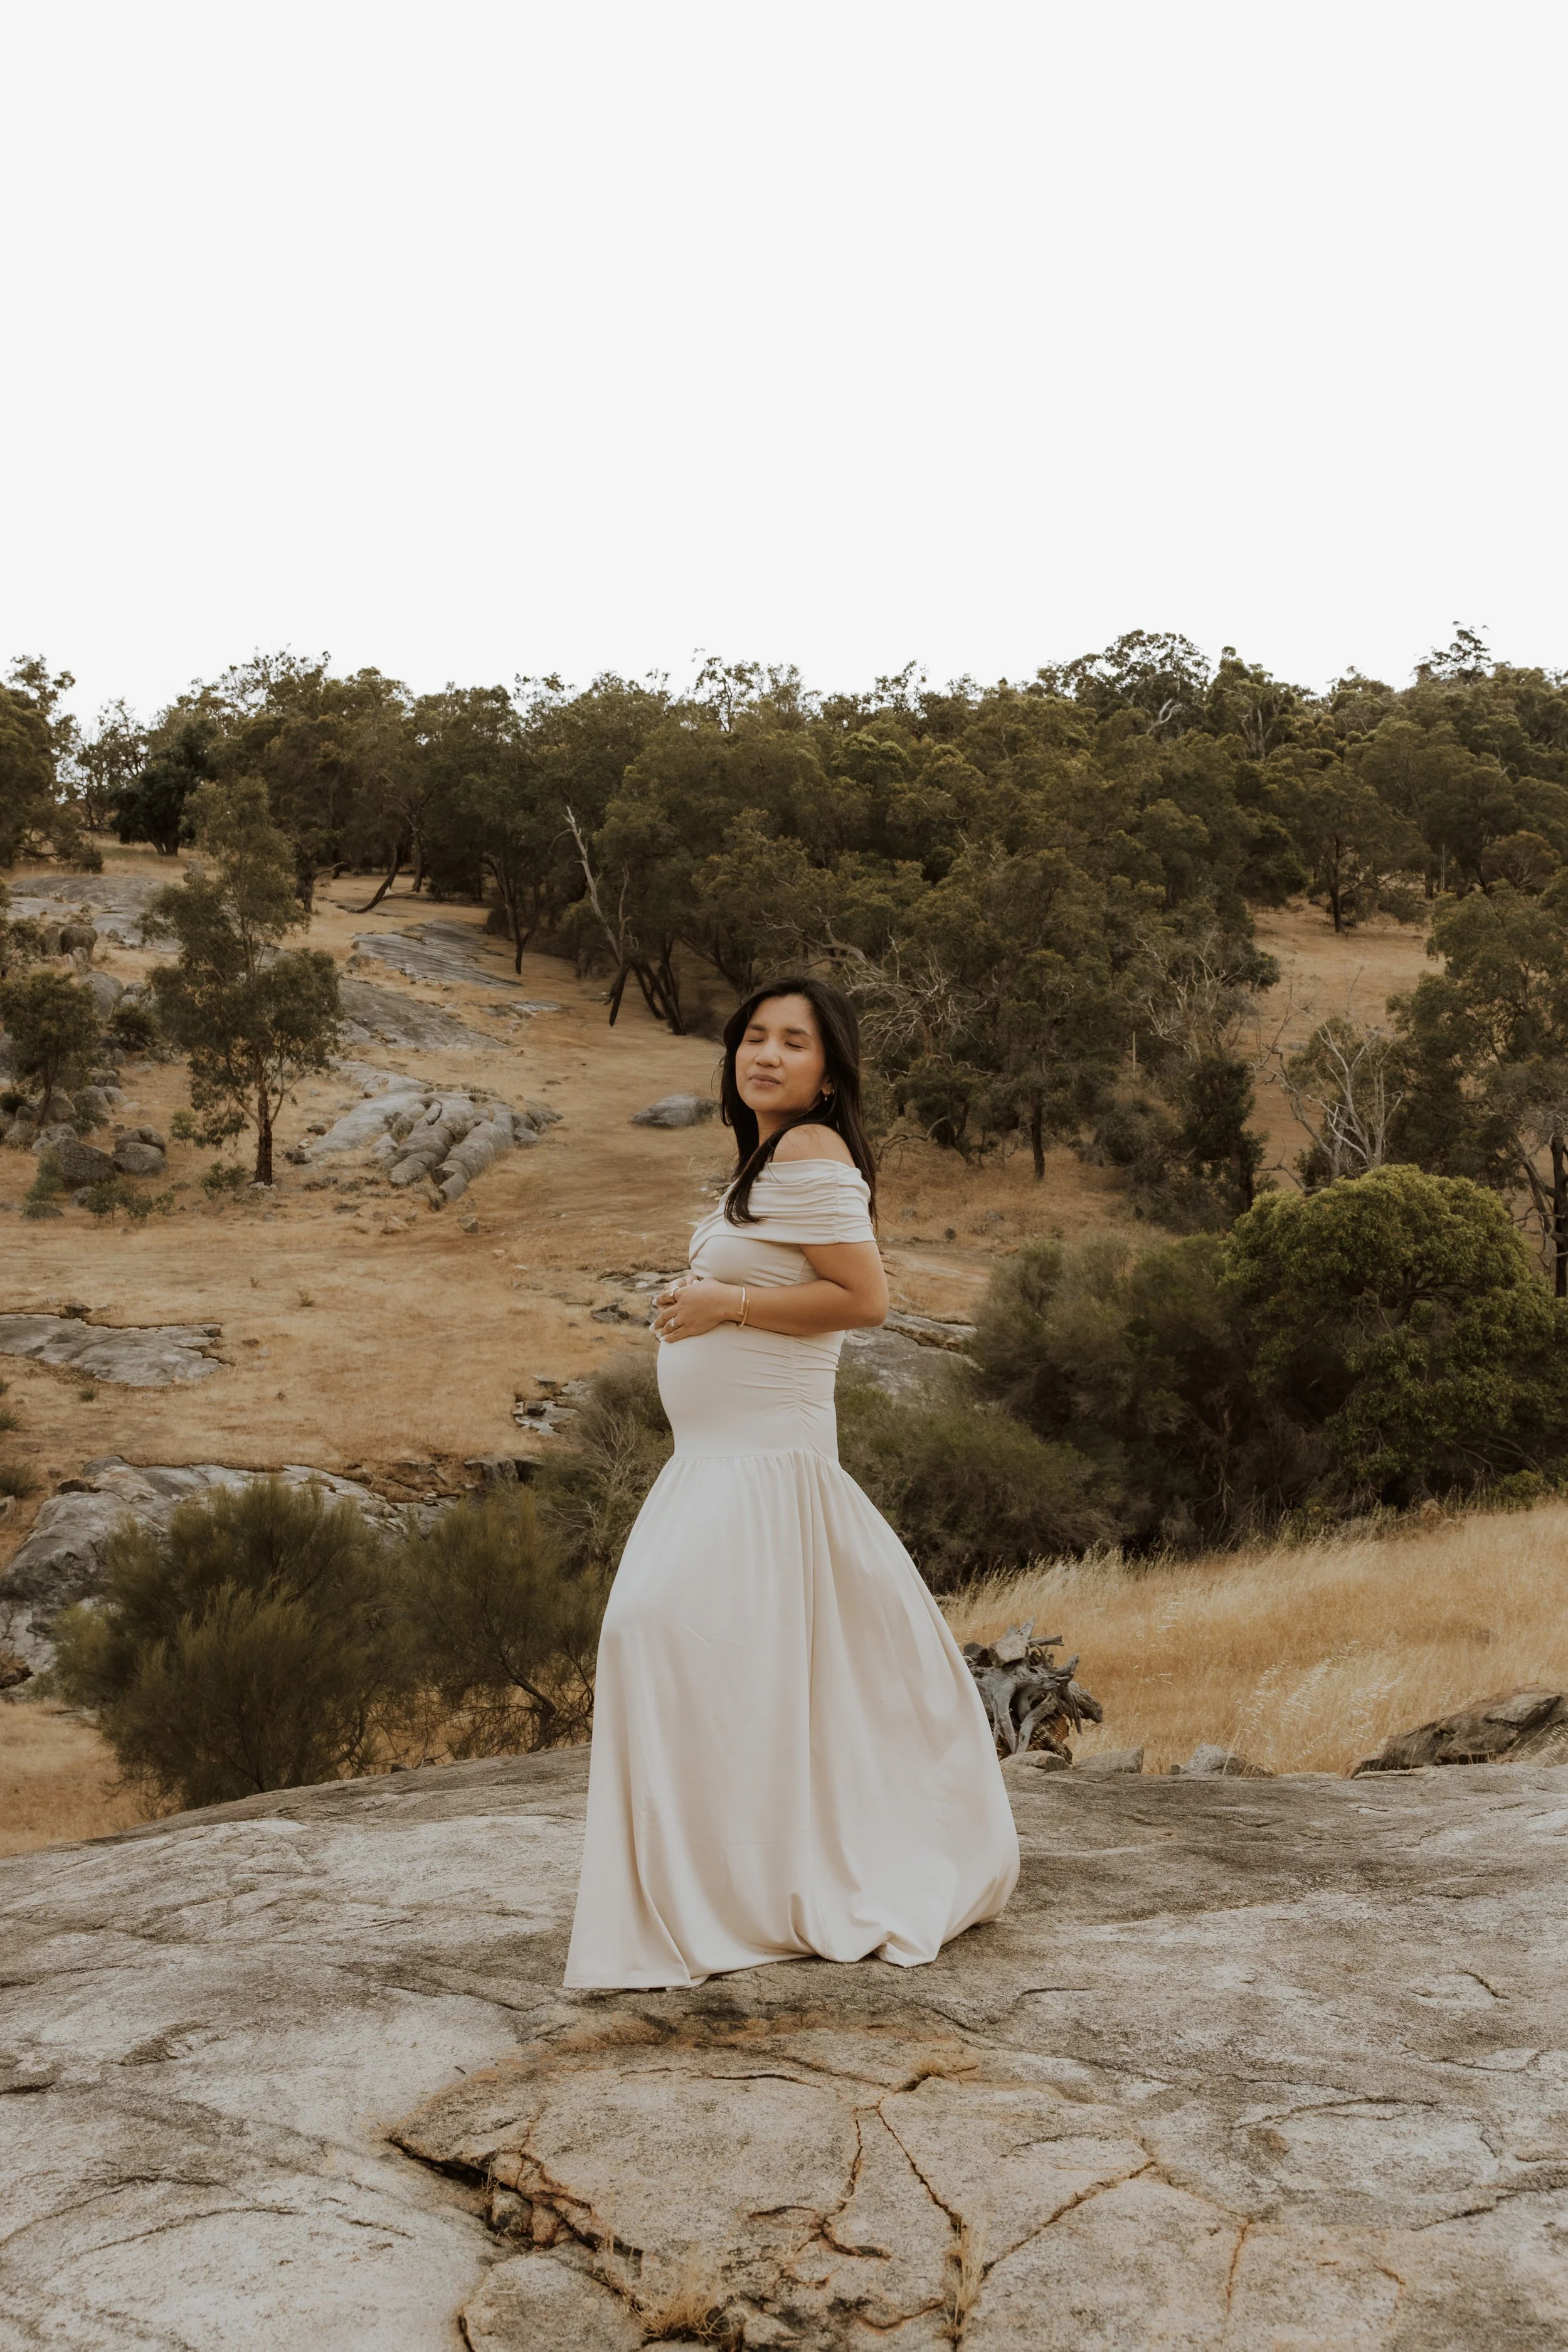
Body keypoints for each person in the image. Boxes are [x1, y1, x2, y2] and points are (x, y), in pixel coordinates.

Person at [564, 975, 1019, 1988]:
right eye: (753, 1037)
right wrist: (704, 1297)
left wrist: (722, 1301)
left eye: (793, 1042)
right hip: (716, 1466)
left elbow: (864, 1297)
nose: (766, 1054)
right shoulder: (765, 1163)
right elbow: (774, 1280)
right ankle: (737, 1882)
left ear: (826, 1073)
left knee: (653, 1631)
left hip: (764, 1470)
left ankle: (730, 1889)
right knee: (737, 1672)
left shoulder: (812, 1152)